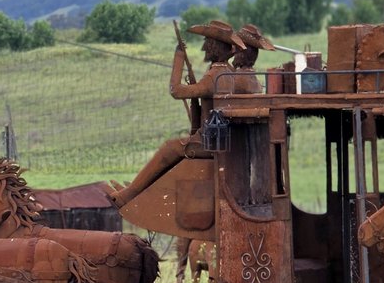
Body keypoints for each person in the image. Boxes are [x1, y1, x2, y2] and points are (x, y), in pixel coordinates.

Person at [108, 20, 250, 208]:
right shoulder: (228, 73)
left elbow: (176, 91)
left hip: (209, 142)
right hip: (215, 138)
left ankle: (130, 194)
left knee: (170, 148)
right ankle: (139, 189)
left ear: (215, 47)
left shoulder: (215, 76)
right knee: (174, 150)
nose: (203, 47)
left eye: (207, 42)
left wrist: (179, 59)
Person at [231, 23, 275, 92]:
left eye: (237, 47)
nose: (234, 51)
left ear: (241, 49)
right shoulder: (252, 77)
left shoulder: (240, 79)